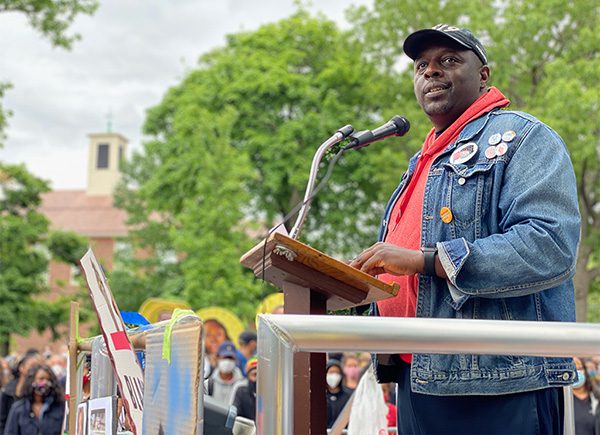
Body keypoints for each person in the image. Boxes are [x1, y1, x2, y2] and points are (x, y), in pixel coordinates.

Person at [350, 24, 580, 434]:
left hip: (498, 382)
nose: (431, 72)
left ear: (484, 76)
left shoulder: (524, 139)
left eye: (449, 61)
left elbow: (548, 244)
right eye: (422, 66)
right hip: (416, 376)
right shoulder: (425, 159)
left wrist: (425, 260)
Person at [4, 364, 65, 435]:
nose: (45, 382)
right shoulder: (19, 408)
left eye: (48, 380)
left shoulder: (59, 407)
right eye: (41, 379)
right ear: (32, 380)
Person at [0, 353, 41, 434]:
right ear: (21, 367)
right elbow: (2, 420)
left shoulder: (38, 391)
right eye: (32, 365)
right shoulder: (7, 391)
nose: (34, 369)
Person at [572, 357, 600, 435]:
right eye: (574, 369)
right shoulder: (564, 402)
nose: (577, 373)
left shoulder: (595, 397)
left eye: (580, 368)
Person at [325, 359, 352, 428]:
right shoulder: (321, 397)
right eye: (331, 372)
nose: (334, 375)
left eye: (337, 373)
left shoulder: (348, 397)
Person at [231, 357, 258, 421]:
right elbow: (235, 415)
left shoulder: (270, 393)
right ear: (248, 375)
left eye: (260, 375)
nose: (257, 378)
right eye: (255, 374)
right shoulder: (241, 392)